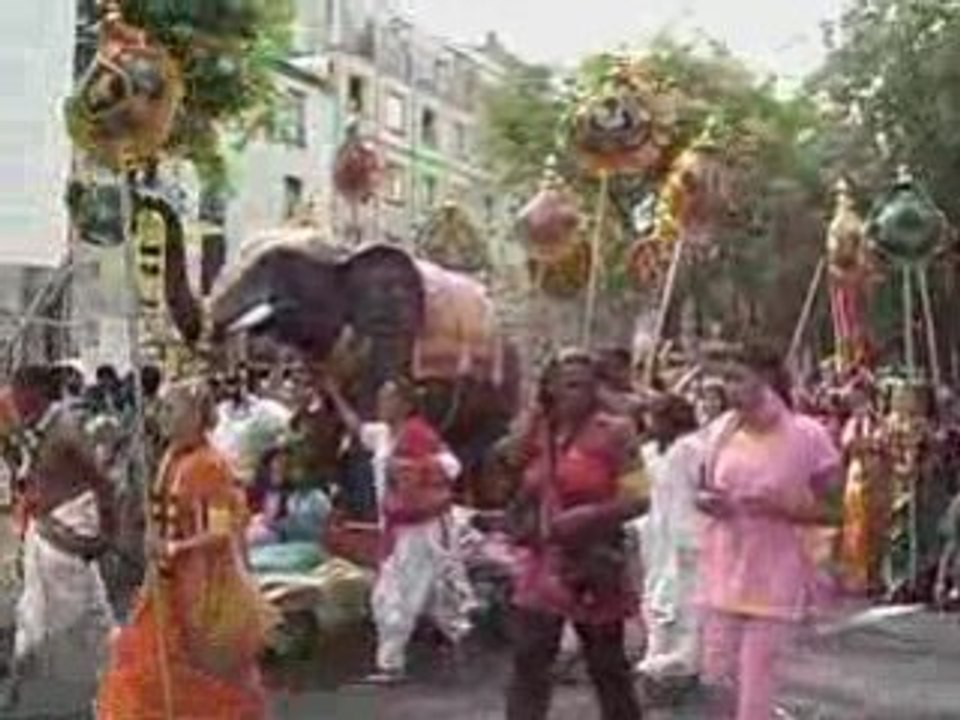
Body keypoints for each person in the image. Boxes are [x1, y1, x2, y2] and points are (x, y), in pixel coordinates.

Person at [97, 379, 275, 720]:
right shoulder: (171, 458)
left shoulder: (210, 465)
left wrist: (173, 546)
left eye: (171, 409)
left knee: (205, 674)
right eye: (162, 408)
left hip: (204, 585)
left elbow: (219, 532)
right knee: (147, 668)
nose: (162, 416)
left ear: (195, 415)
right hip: (166, 581)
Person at [697, 342, 842, 720]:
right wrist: (709, 502)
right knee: (716, 680)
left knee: (756, 685)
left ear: (765, 378)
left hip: (776, 578)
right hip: (723, 574)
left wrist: (785, 508)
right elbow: (702, 488)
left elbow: (835, 510)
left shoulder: (808, 435)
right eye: (725, 380)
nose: (729, 389)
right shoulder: (719, 431)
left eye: (737, 378)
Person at [503, 349, 645, 720]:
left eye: (584, 385)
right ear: (550, 387)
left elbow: (640, 498)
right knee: (529, 660)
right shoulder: (539, 430)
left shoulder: (616, 432)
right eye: (566, 385)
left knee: (606, 666)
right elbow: (508, 465)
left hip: (592, 563)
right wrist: (534, 418)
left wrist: (591, 515)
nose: (575, 394)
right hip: (541, 563)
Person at [324, 374, 475, 683]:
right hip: (397, 526)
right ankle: (453, 643)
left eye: (389, 398)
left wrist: (414, 471)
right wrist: (334, 393)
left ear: (406, 404)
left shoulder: (419, 434)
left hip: (420, 527)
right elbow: (357, 428)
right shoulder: (383, 434)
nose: (382, 404)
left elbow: (451, 467)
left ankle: (391, 664)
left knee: (397, 593)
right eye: (381, 398)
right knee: (424, 590)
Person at [1, 365, 116, 712]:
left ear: (35, 394)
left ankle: (23, 693)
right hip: (51, 535)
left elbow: (102, 482)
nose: (12, 401)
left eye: (17, 394)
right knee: (95, 622)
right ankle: (119, 687)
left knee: (43, 626)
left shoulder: (65, 431)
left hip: (64, 540)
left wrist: (105, 536)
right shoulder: (38, 427)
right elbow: (30, 469)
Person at [635, 395, 703, 689]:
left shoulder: (694, 449)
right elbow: (639, 493)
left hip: (688, 536)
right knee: (655, 598)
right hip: (654, 535)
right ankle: (656, 657)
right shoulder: (647, 452)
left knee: (686, 603)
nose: (651, 424)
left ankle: (683, 665)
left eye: (657, 418)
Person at [839, 384, 888, 596]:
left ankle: (877, 577)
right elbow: (848, 445)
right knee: (856, 524)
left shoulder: (879, 421)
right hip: (857, 475)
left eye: (862, 399)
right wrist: (863, 440)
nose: (859, 404)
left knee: (877, 524)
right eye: (855, 401)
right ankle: (857, 579)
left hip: (877, 476)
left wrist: (870, 442)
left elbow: (883, 443)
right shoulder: (852, 423)